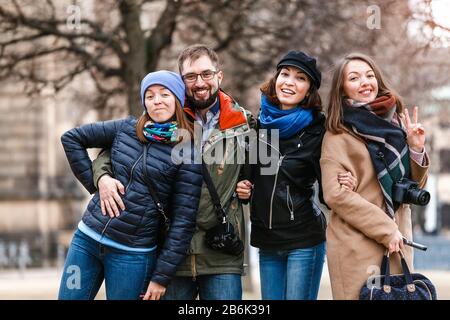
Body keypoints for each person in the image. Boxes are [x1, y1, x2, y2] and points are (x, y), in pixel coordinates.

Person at [90, 44, 256, 300]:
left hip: (220, 252)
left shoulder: (245, 125)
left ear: (219, 77)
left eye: (206, 74)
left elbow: (257, 179)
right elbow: (112, 155)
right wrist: (103, 178)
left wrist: (248, 191)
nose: (199, 82)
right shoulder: (162, 118)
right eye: (191, 77)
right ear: (182, 82)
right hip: (170, 255)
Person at [58, 71, 203, 300]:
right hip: (86, 242)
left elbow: (183, 222)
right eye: (150, 95)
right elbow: (72, 138)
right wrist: (99, 182)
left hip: (132, 255)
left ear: (177, 99)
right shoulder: (126, 128)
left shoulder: (188, 153)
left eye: (164, 94)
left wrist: (161, 277)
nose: (157, 101)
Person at [235, 51, 356, 300]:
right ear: (276, 78)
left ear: (309, 90)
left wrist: (345, 181)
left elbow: (328, 192)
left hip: (303, 240)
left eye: (300, 78)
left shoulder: (318, 131)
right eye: (285, 74)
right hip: (267, 241)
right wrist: (244, 189)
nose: (289, 82)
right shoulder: (258, 127)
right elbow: (250, 179)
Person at [320, 52, 429, 300]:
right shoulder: (337, 135)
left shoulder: (395, 126)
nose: (365, 82)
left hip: (397, 243)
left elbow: (411, 189)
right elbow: (336, 195)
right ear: (342, 88)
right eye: (355, 78)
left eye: (370, 75)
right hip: (356, 245)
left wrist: (415, 148)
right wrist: (385, 229)